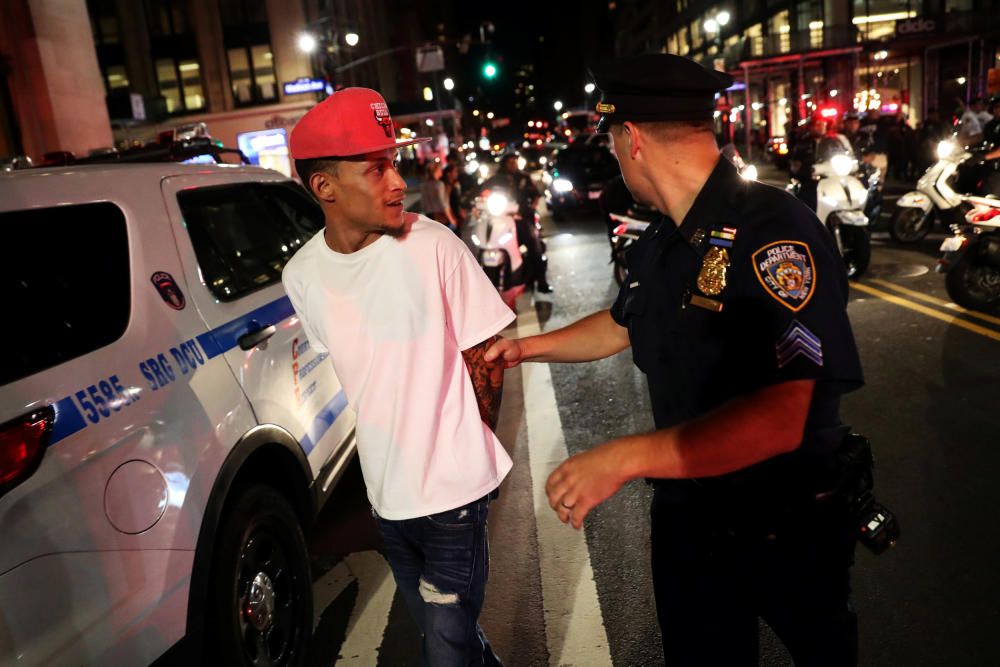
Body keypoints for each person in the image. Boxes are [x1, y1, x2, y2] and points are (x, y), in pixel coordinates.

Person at [486, 53, 865, 666]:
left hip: (787, 518)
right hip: (694, 518)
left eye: (612, 148)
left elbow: (781, 416)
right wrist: (524, 348)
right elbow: (623, 323)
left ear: (631, 140)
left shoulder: (775, 232)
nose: (616, 161)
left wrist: (625, 456)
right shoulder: (670, 236)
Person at [283, 87, 514, 666]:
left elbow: (487, 356)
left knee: (444, 653)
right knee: (453, 643)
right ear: (324, 187)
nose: (398, 183)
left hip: (454, 498)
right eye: (376, 168)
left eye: (394, 164)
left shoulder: (435, 245)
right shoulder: (302, 274)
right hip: (386, 498)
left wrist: (462, 445)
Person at [515, 184, 552, 293]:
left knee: (537, 251)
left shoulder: (525, 211)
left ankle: (539, 283)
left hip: (526, 231)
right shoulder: (527, 212)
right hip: (523, 236)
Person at [421, 161, 458, 231]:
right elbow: (444, 204)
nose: (441, 171)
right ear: (436, 171)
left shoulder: (424, 185)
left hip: (429, 216)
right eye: (440, 169)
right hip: (441, 217)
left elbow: (423, 204)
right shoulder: (439, 184)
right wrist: (451, 219)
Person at [443, 163, 468, 232]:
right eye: (455, 171)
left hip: (457, 213)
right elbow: (446, 203)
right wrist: (452, 217)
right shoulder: (447, 186)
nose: (457, 173)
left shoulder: (454, 184)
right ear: (448, 174)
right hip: (454, 215)